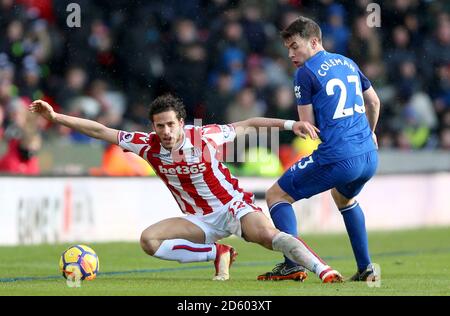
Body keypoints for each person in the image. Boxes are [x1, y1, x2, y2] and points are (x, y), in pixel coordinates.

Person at [29, 94, 343, 283]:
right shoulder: (145, 145)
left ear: (181, 122)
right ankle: (216, 253)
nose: (165, 131)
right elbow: (100, 130)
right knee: (148, 241)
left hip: (233, 207)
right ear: (153, 126)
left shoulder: (205, 135)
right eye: (159, 125)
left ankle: (323, 270)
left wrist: (291, 126)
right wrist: (55, 117)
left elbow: (250, 123)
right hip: (197, 218)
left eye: (170, 124)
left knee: (270, 238)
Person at [259, 16, 381, 282]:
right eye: (287, 48)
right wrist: (369, 133)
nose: (291, 54)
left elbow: (309, 126)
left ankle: (292, 264)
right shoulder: (348, 62)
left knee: (276, 195)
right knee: (344, 198)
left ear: (314, 42)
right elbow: (373, 101)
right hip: (370, 157)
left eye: (295, 46)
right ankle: (366, 268)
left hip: (339, 156)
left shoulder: (305, 72)